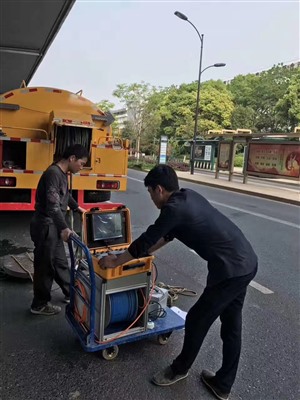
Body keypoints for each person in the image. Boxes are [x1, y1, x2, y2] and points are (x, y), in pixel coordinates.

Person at [99, 164, 258, 400]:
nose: (152, 198)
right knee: (232, 324)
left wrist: (116, 262)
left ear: (159, 189)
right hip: (246, 263)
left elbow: (148, 239)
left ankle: (179, 369)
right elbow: (167, 235)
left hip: (230, 271)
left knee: (196, 319)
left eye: (151, 192)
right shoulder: (188, 197)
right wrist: (143, 254)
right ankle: (223, 384)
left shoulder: (173, 209)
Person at [30, 144, 88, 316]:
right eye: (82, 163)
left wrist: (78, 208)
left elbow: (65, 195)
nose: (81, 167)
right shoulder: (53, 173)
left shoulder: (62, 174)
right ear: (72, 159)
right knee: (45, 266)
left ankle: (71, 293)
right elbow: (53, 206)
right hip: (46, 226)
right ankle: (39, 304)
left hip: (53, 225)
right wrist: (65, 229)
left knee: (61, 262)